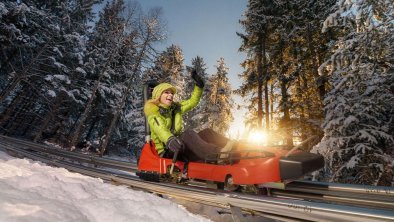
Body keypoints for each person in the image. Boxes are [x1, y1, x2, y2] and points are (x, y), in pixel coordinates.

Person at [143, 70, 234, 162]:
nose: (170, 95)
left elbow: (192, 102)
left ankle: (237, 148)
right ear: (158, 96)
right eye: (166, 92)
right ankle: (218, 155)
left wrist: (199, 86)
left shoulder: (175, 109)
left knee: (207, 133)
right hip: (169, 150)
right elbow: (160, 129)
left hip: (179, 146)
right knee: (187, 134)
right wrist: (169, 139)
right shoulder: (154, 113)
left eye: (171, 93)